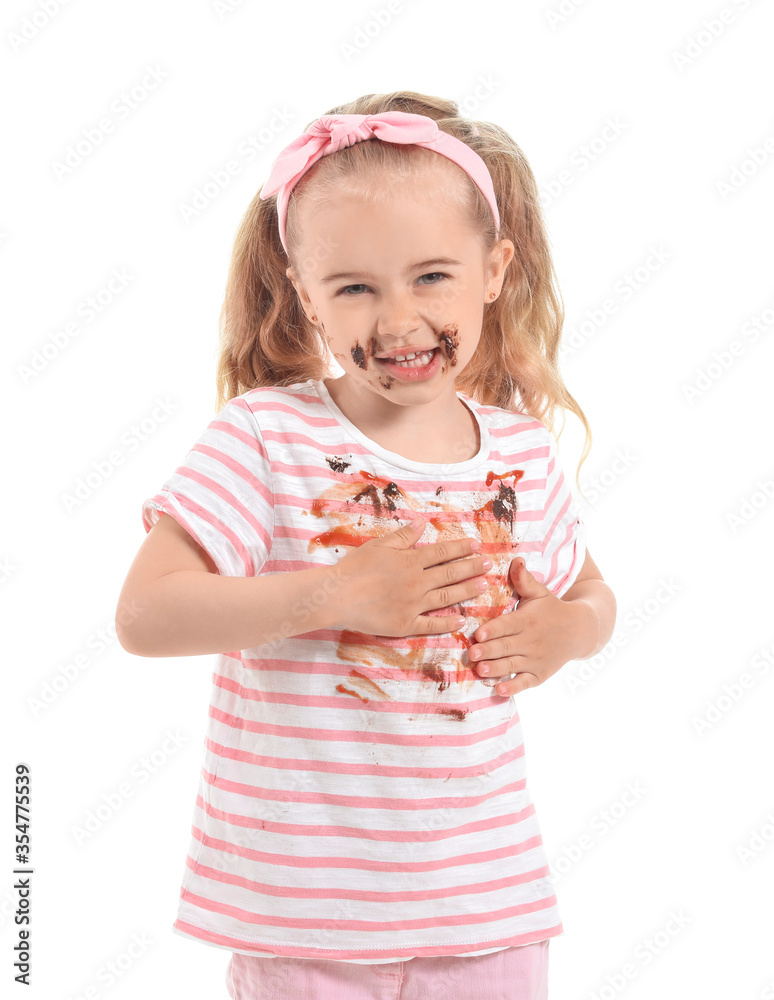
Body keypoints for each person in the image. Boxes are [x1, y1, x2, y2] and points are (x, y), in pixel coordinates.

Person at [116, 90, 616, 1000]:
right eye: (354, 286)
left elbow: (591, 595)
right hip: (305, 917)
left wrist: (567, 636)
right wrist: (330, 595)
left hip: (487, 910)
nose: (397, 320)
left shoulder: (521, 450)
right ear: (306, 294)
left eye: (432, 276)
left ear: (494, 269)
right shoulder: (265, 438)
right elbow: (146, 616)